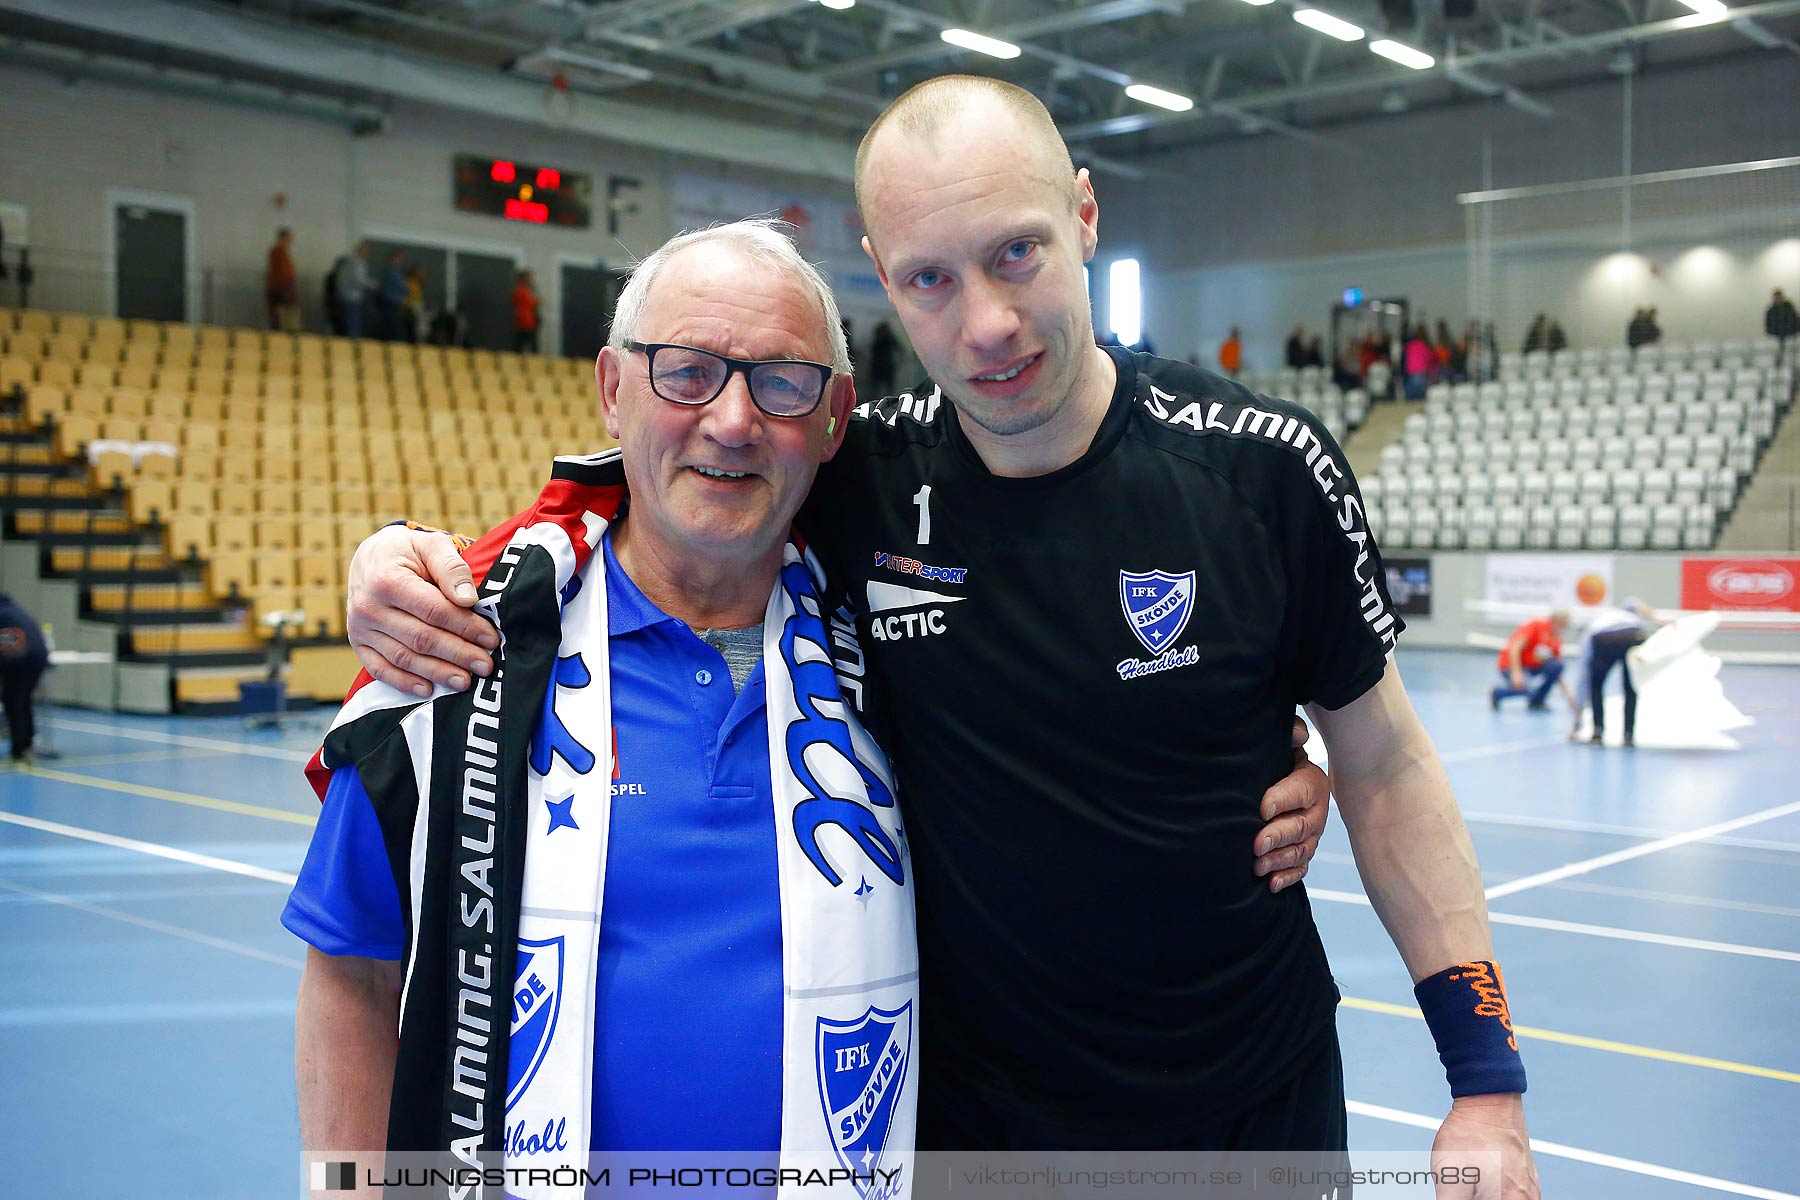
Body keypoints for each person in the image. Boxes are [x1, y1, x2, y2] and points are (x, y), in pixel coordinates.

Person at [344, 76, 1538, 1194]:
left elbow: (1384, 766)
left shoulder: (1263, 472)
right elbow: (664, 483)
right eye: (929, 281)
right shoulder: (858, 478)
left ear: (1083, 214)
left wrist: (1483, 1081)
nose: (987, 324)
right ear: (880, 275)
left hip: (1243, 1118)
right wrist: (415, 558)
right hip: (973, 1136)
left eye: (1017, 252)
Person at [285, 222, 924, 1173]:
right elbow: (356, 977)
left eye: (782, 381)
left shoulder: (911, 659)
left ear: (833, 418)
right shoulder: (455, 659)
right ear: (613, 391)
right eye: (687, 370)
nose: (736, 420)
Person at [1573, 598, 1662, 746]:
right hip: (1634, 634)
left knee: (1595, 686)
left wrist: (1576, 722)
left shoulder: (1594, 624)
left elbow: (1584, 675)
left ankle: (1598, 733)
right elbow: (1637, 603)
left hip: (1605, 638)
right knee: (1631, 687)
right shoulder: (1628, 613)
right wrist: (1658, 620)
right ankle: (1628, 735)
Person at [1491, 609, 1574, 713]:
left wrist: (1568, 695)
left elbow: (1557, 671)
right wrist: (1516, 673)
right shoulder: (1536, 626)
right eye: (1564, 623)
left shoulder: (1557, 638)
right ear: (1556, 621)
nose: (1565, 627)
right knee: (1528, 688)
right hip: (1510, 664)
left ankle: (1537, 701)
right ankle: (1497, 693)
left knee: (1557, 665)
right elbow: (1515, 648)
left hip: (1532, 667)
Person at [0, 592, 50, 763]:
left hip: (22, 661)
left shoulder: (3, 614)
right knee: (23, 701)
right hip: (36, 659)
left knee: (14, 702)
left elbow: (11, 645)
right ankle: (26, 745)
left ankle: (19, 749)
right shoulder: (15, 610)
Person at [265, 228, 298, 332]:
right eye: (287, 238)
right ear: (282, 238)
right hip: (280, 290)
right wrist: (286, 287)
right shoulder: (277, 252)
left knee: (285, 318)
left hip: (284, 289)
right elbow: (281, 272)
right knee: (278, 317)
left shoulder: (283, 253)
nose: (289, 241)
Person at [337, 242, 370, 339]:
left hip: (345, 297)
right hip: (353, 298)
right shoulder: (358, 263)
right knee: (353, 326)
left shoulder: (347, 263)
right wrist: (372, 284)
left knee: (348, 325)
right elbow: (358, 280)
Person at [376, 250, 407, 342]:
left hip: (395, 303)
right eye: (398, 259)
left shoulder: (398, 272)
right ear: (392, 259)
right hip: (389, 302)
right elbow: (403, 287)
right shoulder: (389, 272)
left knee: (395, 326)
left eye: (401, 259)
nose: (400, 261)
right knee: (391, 326)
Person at [868, 318, 900, 398]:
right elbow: (899, 347)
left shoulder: (878, 337)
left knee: (877, 385)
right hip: (886, 363)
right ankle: (888, 400)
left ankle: (877, 399)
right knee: (887, 385)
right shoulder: (888, 337)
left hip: (878, 363)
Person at [513, 269, 541, 354]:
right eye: (527, 278)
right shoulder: (520, 290)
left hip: (531, 322)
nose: (529, 280)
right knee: (521, 344)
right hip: (524, 321)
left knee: (532, 345)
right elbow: (532, 302)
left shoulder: (528, 290)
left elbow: (536, 303)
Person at [1766, 289, 1798, 359]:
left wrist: (1795, 332)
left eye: (1779, 298)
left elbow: (1795, 321)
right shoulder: (1771, 311)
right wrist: (1770, 334)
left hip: (1790, 335)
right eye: (1776, 298)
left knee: (1791, 355)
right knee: (1778, 355)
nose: (1777, 299)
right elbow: (1768, 324)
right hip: (1776, 336)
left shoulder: (1789, 308)